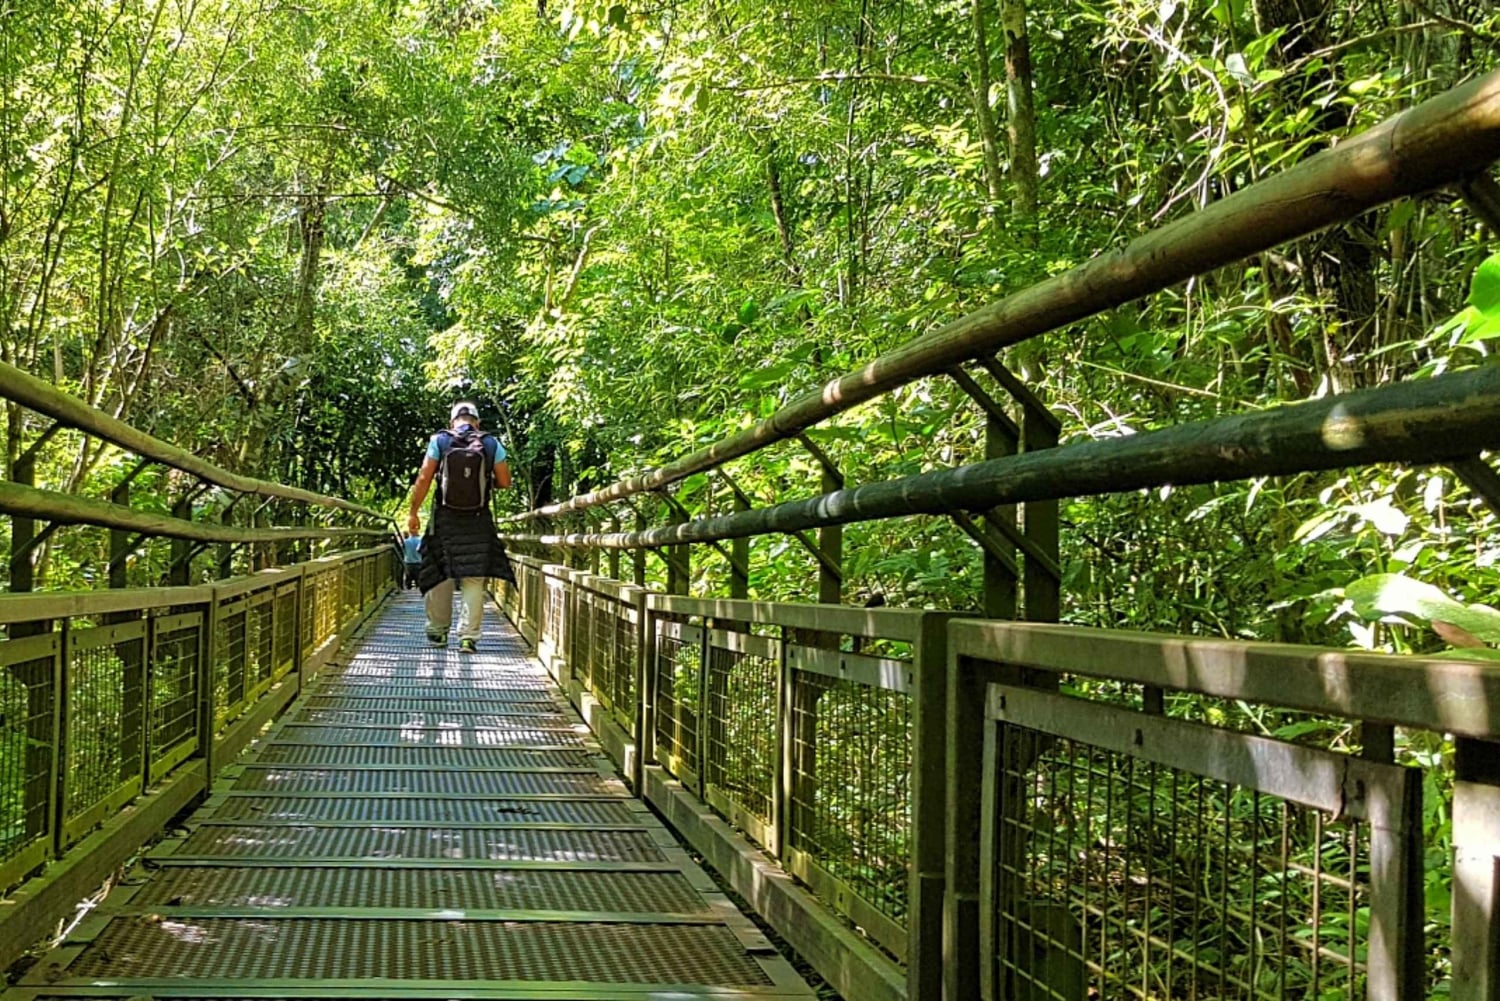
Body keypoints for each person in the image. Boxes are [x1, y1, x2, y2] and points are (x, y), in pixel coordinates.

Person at [406, 401, 515, 653]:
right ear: (477, 422)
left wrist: (413, 512)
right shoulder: (490, 443)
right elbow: (505, 481)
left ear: (452, 421)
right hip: (477, 519)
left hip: (444, 518)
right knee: (474, 578)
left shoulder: (440, 441)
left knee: (440, 571)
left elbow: (424, 477)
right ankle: (468, 637)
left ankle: (437, 631)